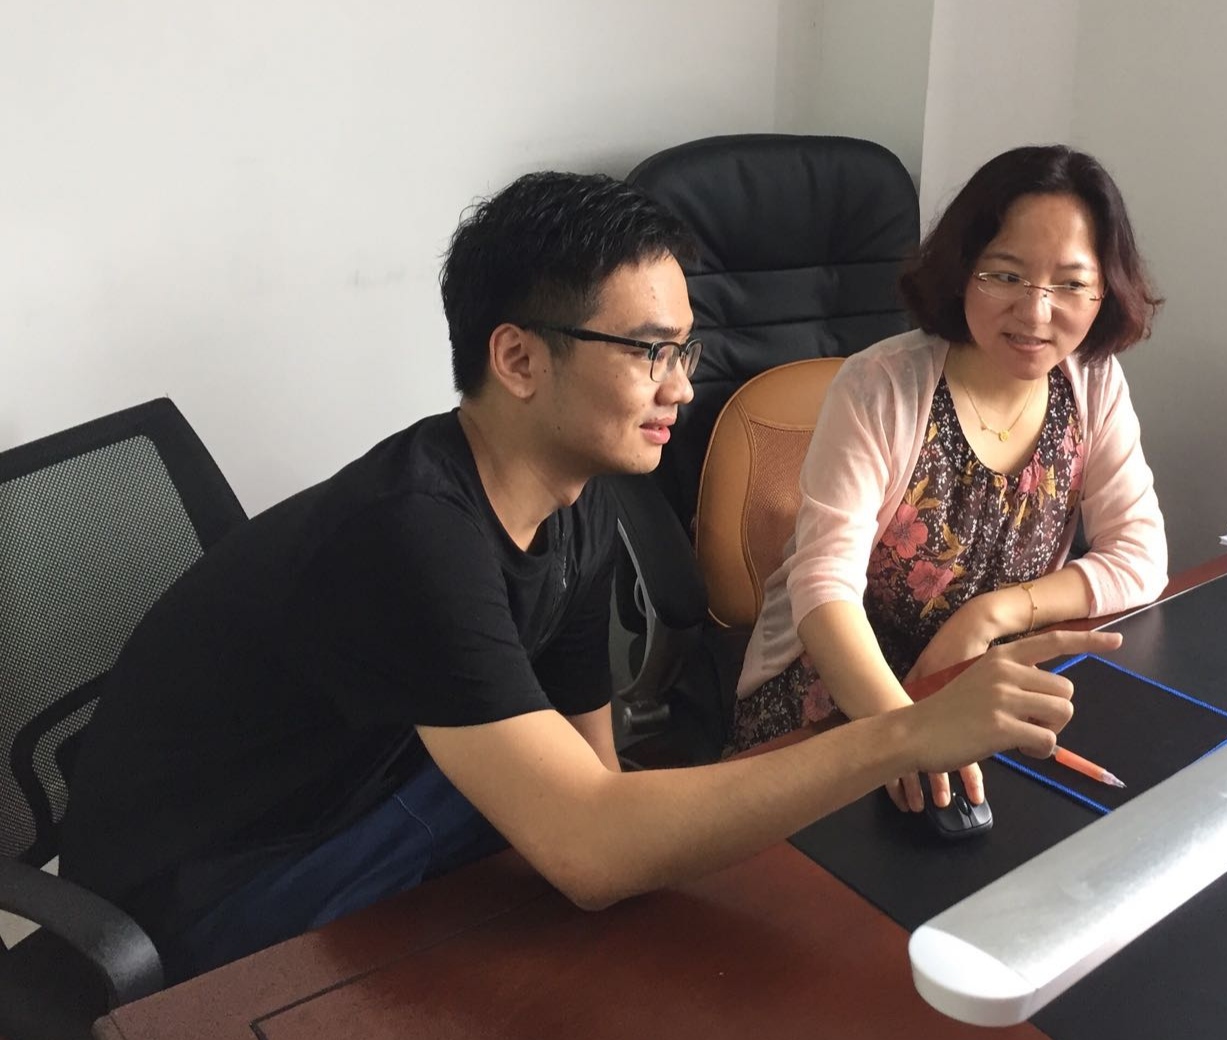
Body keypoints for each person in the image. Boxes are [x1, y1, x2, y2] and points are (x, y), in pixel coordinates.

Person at [58, 170, 1120, 983]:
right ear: (519, 359)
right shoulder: (411, 537)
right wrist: (901, 733)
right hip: (213, 893)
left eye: (686, 351)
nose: (682, 388)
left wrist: (609, 835)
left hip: (374, 797)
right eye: (650, 351)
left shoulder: (578, 500)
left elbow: (597, 785)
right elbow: (592, 846)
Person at [733, 145, 1169, 815]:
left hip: (983, 684)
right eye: (1006, 275)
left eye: (1070, 283)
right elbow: (823, 587)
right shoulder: (879, 387)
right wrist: (903, 735)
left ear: (1103, 290)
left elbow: (1140, 556)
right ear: (964, 270)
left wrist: (989, 616)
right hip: (844, 693)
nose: (1036, 313)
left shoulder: (1092, 381)